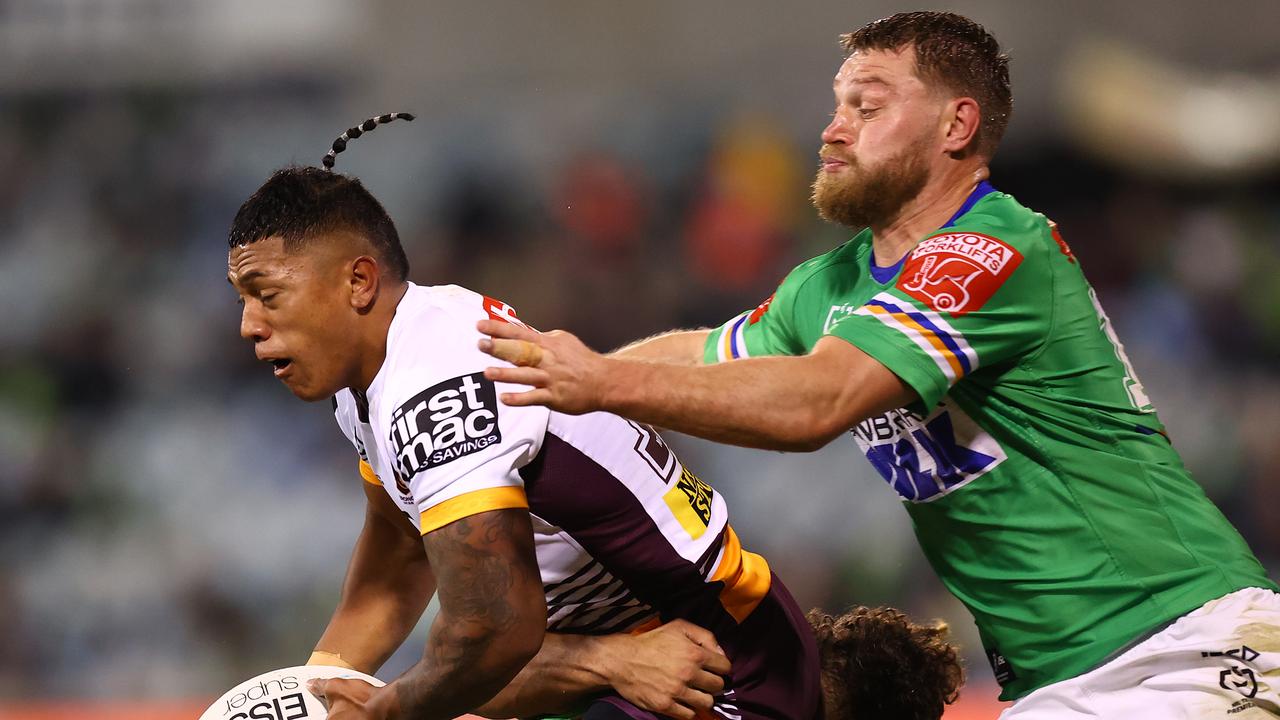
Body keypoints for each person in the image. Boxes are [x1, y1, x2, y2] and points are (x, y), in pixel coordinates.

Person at [477, 11, 1280, 718]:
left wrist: (597, 382)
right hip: (1055, 680)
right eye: (836, 107)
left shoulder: (992, 247)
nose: (833, 129)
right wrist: (541, 392)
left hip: (1183, 642)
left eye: (867, 106)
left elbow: (818, 403)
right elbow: (700, 356)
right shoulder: (829, 284)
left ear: (956, 125)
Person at [225, 157, 963, 719]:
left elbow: (493, 633)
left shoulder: (436, 386)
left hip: (718, 671)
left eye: (267, 294)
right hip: (625, 660)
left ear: (358, 281)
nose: (249, 326)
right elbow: (393, 573)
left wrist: (380, 713)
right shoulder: (383, 373)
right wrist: (316, 692)